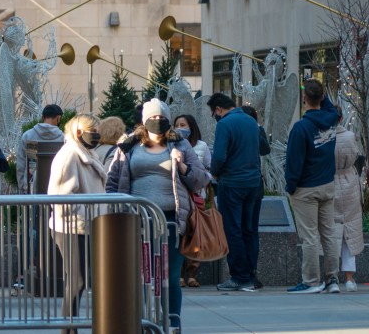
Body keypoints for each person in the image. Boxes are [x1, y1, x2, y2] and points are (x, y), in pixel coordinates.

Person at [106, 99, 208, 334]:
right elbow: (112, 181)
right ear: (144, 120)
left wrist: (183, 168)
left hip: (171, 222)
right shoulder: (128, 145)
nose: (157, 121)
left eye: (161, 117)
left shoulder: (180, 145)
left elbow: (201, 179)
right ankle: (141, 322)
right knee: (140, 276)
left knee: (171, 277)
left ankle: (172, 323)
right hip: (136, 220)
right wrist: (115, 211)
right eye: (152, 118)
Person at [48, 115, 106, 330]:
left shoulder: (86, 152)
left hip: (88, 224)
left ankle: (69, 328)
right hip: (73, 227)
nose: (97, 133)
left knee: (79, 281)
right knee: (77, 280)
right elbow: (59, 196)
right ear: (79, 132)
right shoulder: (70, 155)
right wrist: (88, 213)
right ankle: (68, 329)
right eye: (94, 129)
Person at [284, 78, 341, 294]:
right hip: (327, 185)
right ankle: (332, 279)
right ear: (322, 97)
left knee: (309, 236)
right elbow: (328, 106)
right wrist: (321, 94)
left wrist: (291, 186)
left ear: (304, 99)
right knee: (328, 234)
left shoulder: (301, 128)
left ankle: (310, 281)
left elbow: (293, 162)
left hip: (305, 188)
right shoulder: (332, 119)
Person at [207, 92, 264, 293]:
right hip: (253, 183)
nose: (215, 116)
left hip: (232, 183)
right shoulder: (250, 121)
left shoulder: (224, 124)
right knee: (249, 230)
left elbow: (219, 155)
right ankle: (251, 275)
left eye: (214, 112)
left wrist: (213, 173)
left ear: (218, 109)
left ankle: (239, 277)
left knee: (233, 230)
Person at [173, 113, 210, 289]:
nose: (180, 128)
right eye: (177, 124)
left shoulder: (202, 146)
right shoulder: (172, 145)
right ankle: (179, 274)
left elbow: (207, 170)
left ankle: (193, 273)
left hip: (196, 197)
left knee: (195, 236)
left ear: (192, 127)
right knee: (180, 237)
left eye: (184, 124)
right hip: (179, 198)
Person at [333, 110, 363, 292]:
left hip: (328, 181)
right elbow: (356, 156)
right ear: (341, 118)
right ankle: (350, 278)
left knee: (330, 230)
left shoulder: (321, 137)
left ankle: (331, 276)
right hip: (349, 182)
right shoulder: (350, 136)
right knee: (350, 229)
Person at [18, 104, 66, 190]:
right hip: (57, 188)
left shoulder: (27, 136)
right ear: (58, 118)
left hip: (32, 187)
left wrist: (22, 187)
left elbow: (21, 164)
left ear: (42, 117)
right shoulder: (64, 138)